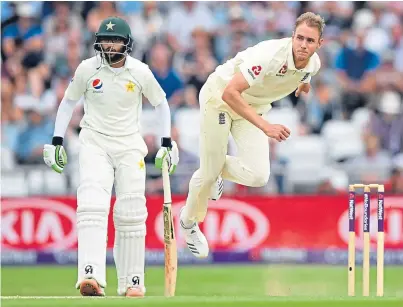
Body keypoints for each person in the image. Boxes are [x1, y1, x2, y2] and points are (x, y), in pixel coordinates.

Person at [42, 16, 179, 297]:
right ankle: (89, 275)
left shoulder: (140, 71)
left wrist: (166, 143)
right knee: (92, 203)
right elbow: (68, 101)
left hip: (130, 146)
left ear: (126, 43)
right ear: (98, 41)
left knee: (131, 212)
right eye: (105, 39)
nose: (110, 44)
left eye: (116, 39)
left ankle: (133, 281)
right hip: (95, 143)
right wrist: (56, 140)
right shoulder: (87, 69)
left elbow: (161, 103)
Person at [179, 12, 324, 258]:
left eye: (310, 41)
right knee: (208, 174)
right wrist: (266, 127)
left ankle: (212, 167)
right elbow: (230, 93)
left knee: (258, 176)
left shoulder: (313, 64)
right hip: (220, 100)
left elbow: (306, 73)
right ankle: (188, 222)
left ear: (319, 44)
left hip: (251, 107)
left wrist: (304, 83)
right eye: (299, 38)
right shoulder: (269, 56)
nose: (303, 45)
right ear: (292, 36)